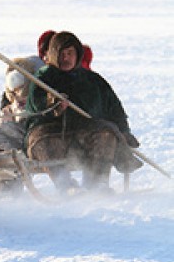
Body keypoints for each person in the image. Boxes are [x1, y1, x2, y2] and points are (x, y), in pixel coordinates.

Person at [24, 31, 142, 193]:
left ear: (78, 54)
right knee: (44, 141)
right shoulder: (42, 78)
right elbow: (36, 105)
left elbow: (115, 110)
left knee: (106, 133)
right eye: (62, 54)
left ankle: (97, 185)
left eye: (70, 53)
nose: (66, 58)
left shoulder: (93, 80)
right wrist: (53, 104)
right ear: (53, 54)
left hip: (83, 136)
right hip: (50, 135)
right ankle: (67, 187)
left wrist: (124, 132)